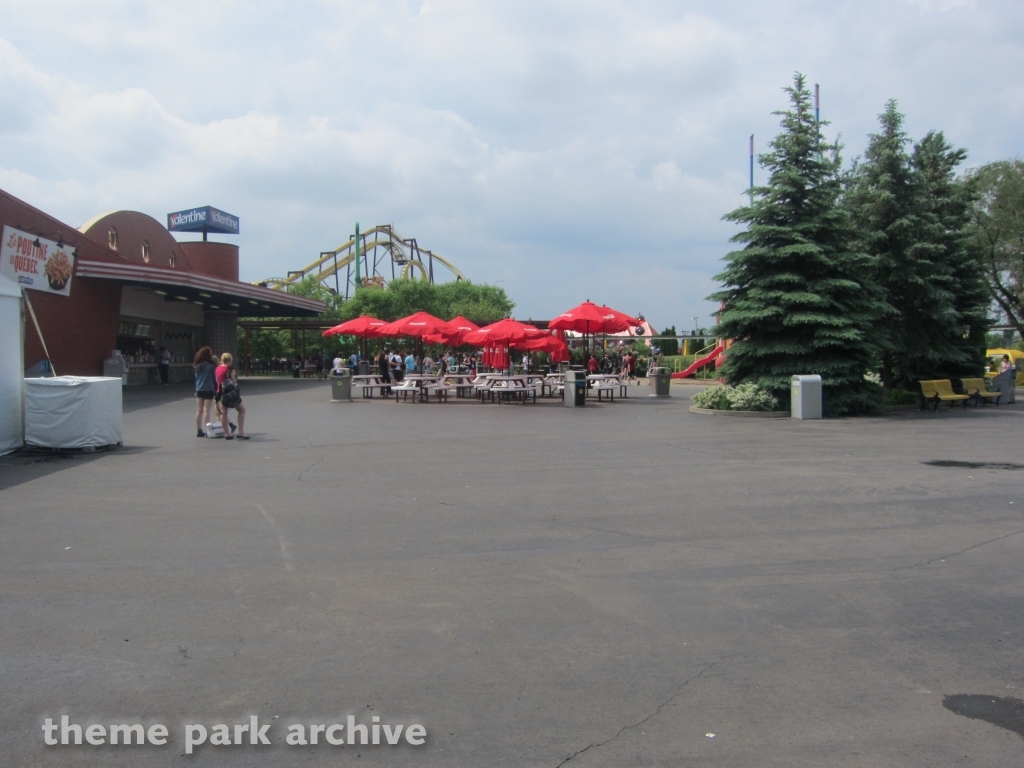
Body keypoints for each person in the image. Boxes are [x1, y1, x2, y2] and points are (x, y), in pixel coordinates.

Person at [216, 352, 248, 440]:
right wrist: (234, 376)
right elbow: (234, 381)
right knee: (242, 410)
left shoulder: (217, 369)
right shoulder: (229, 369)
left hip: (221, 393)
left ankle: (227, 434)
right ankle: (241, 432)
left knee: (224, 413)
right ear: (230, 360)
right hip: (231, 393)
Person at [193, 347, 217, 437]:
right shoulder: (210, 365)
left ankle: (199, 430)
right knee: (206, 410)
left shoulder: (197, 365)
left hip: (199, 389)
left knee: (199, 410)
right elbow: (215, 377)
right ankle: (208, 430)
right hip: (209, 388)